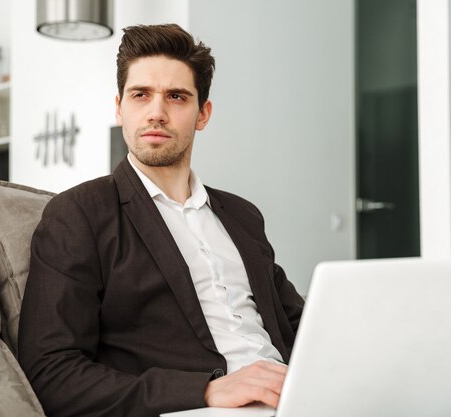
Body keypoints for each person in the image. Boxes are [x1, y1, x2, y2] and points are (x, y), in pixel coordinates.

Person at [18, 24, 305, 417]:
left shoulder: (242, 215)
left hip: (295, 396)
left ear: (202, 114)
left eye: (176, 96)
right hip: (199, 409)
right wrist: (206, 391)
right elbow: (52, 372)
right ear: (120, 108)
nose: (156, 112)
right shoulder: (80, 213)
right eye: (141, 95)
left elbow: (301, 322)